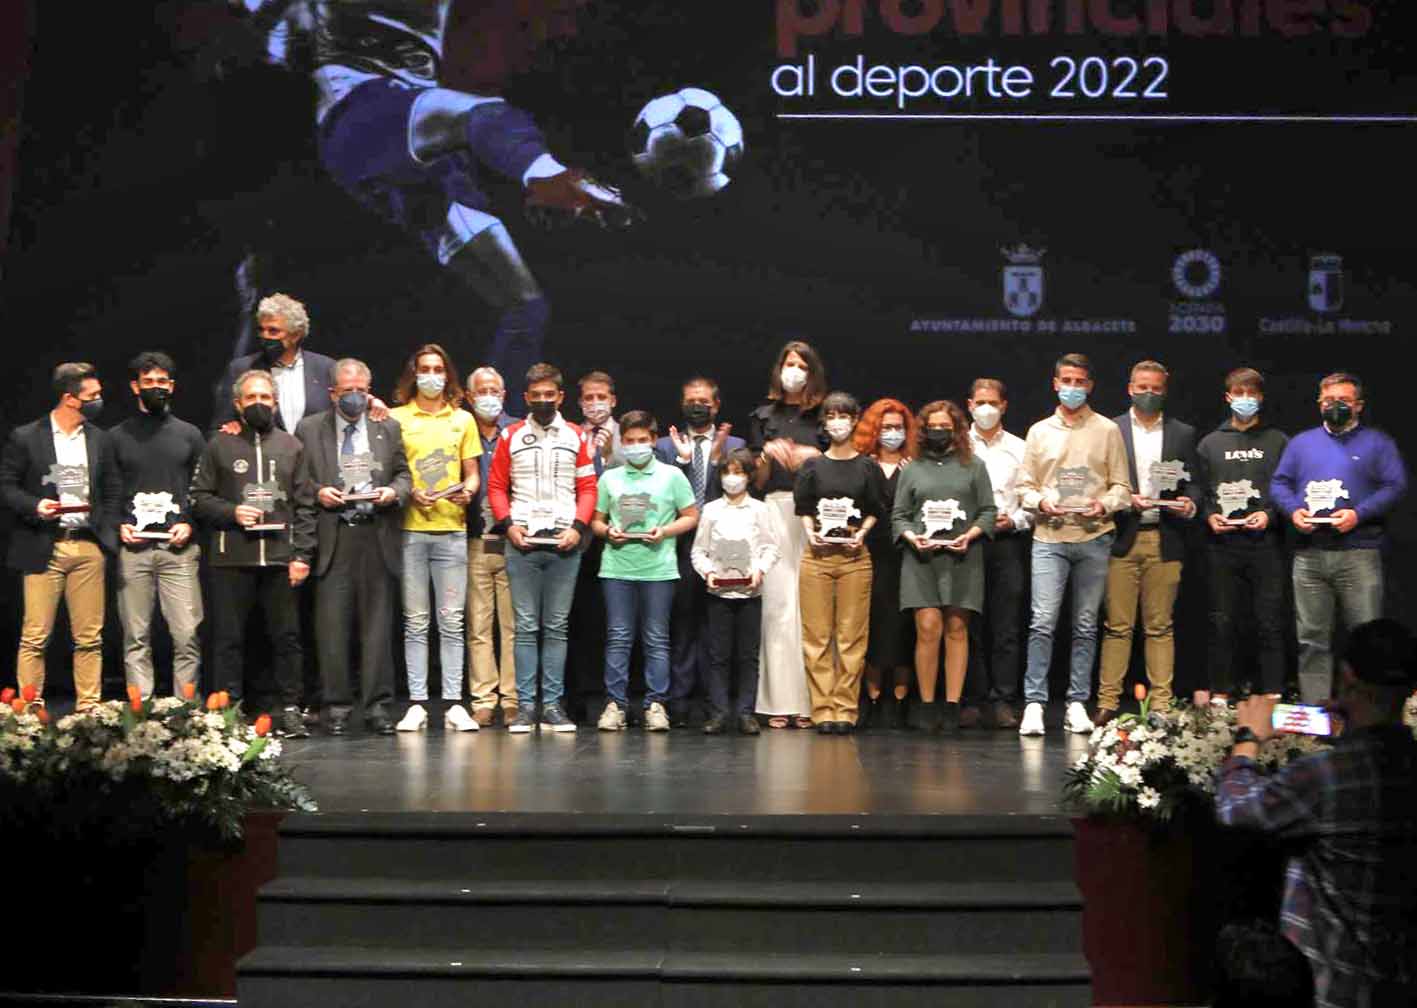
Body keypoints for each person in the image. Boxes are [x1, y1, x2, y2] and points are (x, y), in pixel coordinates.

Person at [227, 1, 637, 403]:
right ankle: (547, 174)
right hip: (363, 116)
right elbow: (275, 44)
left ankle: (493, 436)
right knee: (485, 115)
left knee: (525, 307)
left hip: (415, 151)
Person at [1217, 618, 1417, 1008]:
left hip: (1334, 987)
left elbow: (1234, 809)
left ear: (1346, 678)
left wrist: (1248, 739)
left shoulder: (1325, 778)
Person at [191, 369, 315, 737]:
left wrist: (302, 556)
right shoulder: (219, 445)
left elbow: (305, 506)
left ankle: (291, 708)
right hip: (232, 559)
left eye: (265, 398)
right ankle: (226, 709)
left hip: (280, 560)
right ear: (237, 404)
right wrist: (232, 513)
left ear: (275, 403)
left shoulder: (292, 446)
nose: (258, 404)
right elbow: (198, 498)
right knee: (228, 638)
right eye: (251, 398)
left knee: (287, 638)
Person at [1272, 372, 1408, 704]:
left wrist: (1358, 515)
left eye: (1344, 401)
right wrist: (1293, 512)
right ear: (1319, 403)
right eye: (1330, 400)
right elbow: (1279, 483)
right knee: (1311, 640)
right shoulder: (1301, 443)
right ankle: (1316, 713)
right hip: (1309, 555)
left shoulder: (1378, 443)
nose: (1336, 406)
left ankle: (1371, 712)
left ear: (1358, 406)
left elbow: (1396, 485)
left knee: (1368, 641)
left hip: (1359, 553)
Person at [1015, 353, 1132, 737]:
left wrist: (1105, 504)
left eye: (1080, 381)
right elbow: (1024, 488)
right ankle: (1034, 702)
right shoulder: (1038, 431)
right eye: (1067, 380)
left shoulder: (1107, 430)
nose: (1073, 387)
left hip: (1093, 536)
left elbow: (1122, 488)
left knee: (1085, 625)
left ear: (1090, 386)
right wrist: (1039, 503)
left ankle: (1077, 702)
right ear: (1055, 383)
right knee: (1042, 622)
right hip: (1049, 536)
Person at [295, 359, 411, 735]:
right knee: (332, 626)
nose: (356, 397)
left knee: (377, 627)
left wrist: (394, 492)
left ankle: (377, 707)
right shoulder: (310, 429)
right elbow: (298, 479)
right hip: (334, 533)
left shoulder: (386, 426)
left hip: (375, 532)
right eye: (348, 391)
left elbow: (404, 474)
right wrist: (318, 492)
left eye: (362, 389)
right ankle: (337, 706)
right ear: (333, 393)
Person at [1, 362, 121, 711]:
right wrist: (35, 504)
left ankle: (89, 708)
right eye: (92, 396)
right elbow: (6, 486)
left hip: (87, 545)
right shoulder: (26, 437)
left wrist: (106, 532)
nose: (99, 400)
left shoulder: (100, 439)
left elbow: (112, 488)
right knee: (35, 636)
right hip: (44, 544)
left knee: (90, 637)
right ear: (70, 398)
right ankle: (29, 709)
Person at [486, 362, 597, 733]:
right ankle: (525, 708)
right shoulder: (511, 435)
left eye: (550, 395)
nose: (544, 401)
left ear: (561, 397)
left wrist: (579, 528)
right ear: (526, 398)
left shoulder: (577, 437)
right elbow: (497, 486)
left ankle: (551, 706)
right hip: (522, 543)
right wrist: (508, 526)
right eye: (537, 396)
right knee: (526, 626)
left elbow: (588, 488)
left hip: (565, 543)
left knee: (556, 627)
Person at [1097, 360, 1199, 723]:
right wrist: (1125, 499)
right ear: (1129, 388)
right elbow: (1099, 480)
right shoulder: (1111, 429)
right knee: (1117, 626)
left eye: (1156, 389)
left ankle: (1161, 704)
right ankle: (1107, 702)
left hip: (1165, 537)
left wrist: (1190, 503)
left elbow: (1194, 483)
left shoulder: (1182, 433)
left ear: (1165, 390)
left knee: (1160, 626)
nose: (1148, 394)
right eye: (1142, 387)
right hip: (1122, 537)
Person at [386, 345, 482, 731]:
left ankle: (455, 703)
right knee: (415, 621)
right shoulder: (396, 418)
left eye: (438, 369)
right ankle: (418, 704)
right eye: (424, 368)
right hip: (410, 530)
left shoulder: (463, 420)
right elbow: (392, 472)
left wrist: (469, 491)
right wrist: (409, 492)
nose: (431, 375)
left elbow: (472, 471)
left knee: (452, 621)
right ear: (414, 373)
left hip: (452, 531)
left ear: (448, 375)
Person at [891, 400, 997, 734]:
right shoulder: (911, 468)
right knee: (927, 627)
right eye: (932, 427)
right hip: (922, 559)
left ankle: (951, 705)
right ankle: (925, 704)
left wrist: (971, 535)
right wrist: (911, 536)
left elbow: (988, 511)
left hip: (962, 557)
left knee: (956, 628)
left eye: (945, 427)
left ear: (957, 430)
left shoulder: (974, 466)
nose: (938, 432)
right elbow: (899, 515)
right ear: (923, 431)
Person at [590, 411, 699, 731]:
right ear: (621, 443)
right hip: (617, 568)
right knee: (619, 637)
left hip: (659, 570)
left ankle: (655, 704)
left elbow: (691, 516)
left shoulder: (671, 476)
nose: (635, 446)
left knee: (656, 639)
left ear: (653, 441)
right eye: (629, 441)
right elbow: (596, 521)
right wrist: (607, 531)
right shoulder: (610, 477)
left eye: (642, 441)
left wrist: (665, 532)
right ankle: (616, 705)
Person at [108, 352, 207, 699]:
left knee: (186, 635)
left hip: (177, 549)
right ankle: (141, 714)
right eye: (148, 382)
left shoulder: (190, 435)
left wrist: (190, 524)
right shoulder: (116, 437)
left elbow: (202, 489)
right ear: (135, 386)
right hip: (133, 549)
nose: (156, 388)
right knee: (136, 638)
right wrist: (119, 524)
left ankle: (187, 714)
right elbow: (108, 492)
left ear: (173, 386)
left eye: (162, 382)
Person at [1195, 367, 1290, 703]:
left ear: (1261, 398)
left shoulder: (1278, 441)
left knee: (1270, 621)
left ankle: (1273, 692)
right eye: (1239, 393)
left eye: (1252, 393)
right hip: (1223, 545)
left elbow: (1287, 488)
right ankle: (1221, 692)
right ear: (1228, 397)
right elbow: (1200, 492)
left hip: (1265, 544)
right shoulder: (1210, 443)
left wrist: (1270, 514)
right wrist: (1209, 516)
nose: (1245, 399)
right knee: (1222, 620)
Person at [794, 391, 887, 734]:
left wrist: (861, 533)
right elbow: (803, 508)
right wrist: (809, 533)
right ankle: (822, 710)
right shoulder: (812, 466)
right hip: (817, 557)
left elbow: (877, 509)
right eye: (831, 416)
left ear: (855, 420)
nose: (837, 422)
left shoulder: (867, 466)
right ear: (824, 422)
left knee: (851, 637)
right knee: (817, 637)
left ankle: (845, 709)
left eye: (843, 416)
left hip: (854, 557)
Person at [656, 376, 744, 727]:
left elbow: (736, 490)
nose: (697, 405)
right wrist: (681, 461)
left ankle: (715, 703)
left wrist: (719, 459)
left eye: (704, 401)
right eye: (691, 400)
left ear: (716, 405)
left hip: (723, 547)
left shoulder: (735, 445)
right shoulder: (664, 445)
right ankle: (678, 703)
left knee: (716, 630)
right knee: (681, 626)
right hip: (676, 544)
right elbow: (663, 493)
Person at [748, 340, 827, 729]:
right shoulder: (764, 415)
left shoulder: (826, 415)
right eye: (788, 364)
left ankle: (812, 701)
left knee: (810, 609)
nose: (793, 370)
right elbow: (755, 480)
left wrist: (814, 456)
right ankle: (778, 700)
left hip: (817, 516)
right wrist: (767, 456)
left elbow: (842, 463)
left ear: (812, 372)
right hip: (774, 509)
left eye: (801, 365)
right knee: (777, 608)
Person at [691, 448, 781, 735]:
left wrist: (760, 570)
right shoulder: (711, 509)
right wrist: (708, 572)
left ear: (749, 476)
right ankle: (718, 712)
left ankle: (745, 712)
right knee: (718, 655)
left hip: (750, 593)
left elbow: (770, 547)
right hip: (719, 594)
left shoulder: (760, 510)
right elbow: (699, 550)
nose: (733, 478)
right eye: (728, 472)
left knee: (748, 655)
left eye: (739, 472)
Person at [963, 378, 1031, 730]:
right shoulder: (959, 447)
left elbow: (1031, 500)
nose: (986, 408)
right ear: (970, 405)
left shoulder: (1021, 448)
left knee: (1005, 625)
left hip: (1006, 543)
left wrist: (1015, 519)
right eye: (980, 402)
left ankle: (1003, 699)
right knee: (968, 623)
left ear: (1004, 406)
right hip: (966, 543)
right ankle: (972, 700)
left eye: (993, 402)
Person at [853, 397, 917, 731]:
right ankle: (873, 697)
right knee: (874, 626)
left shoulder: (915, 465)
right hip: (871, 553)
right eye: (885, 427)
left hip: (908, 555)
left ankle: (901, 698)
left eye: (897, 427)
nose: (892, 433)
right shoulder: (864, 464)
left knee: (904, 627)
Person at [566, 369, 621, 720]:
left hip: (617, 540)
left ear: (613, 400)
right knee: (576, 621)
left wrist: (611, 455)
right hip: (578, 539)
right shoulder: (571, 435)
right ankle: (575, 696)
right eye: (589, 397)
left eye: (602, 397)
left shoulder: (629, 434)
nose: (596, 404)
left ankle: (612, 696)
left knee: (613, 622)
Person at [465, 365, 518, 726]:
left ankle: (513, 698)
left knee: (513, 625)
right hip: (472, 538)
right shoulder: (460, 429)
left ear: (504, 394)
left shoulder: (517, 432)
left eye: (494, 390)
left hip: (514, 540)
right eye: (481, 390)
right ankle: (484, 698)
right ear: (469, 397)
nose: (488, 396)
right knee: (478, 624)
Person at [212, 293, 338, 433]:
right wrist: (230, 428)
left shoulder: (326, 369)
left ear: (295, 335)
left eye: (273, 331)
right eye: (261, 330)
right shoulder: (242, 368)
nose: (265, 336)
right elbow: (221, 424)